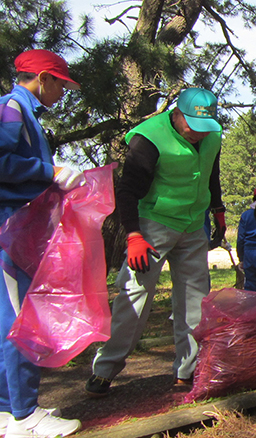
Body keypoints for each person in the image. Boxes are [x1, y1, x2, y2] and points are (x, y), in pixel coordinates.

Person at [85, 87, 226, 397]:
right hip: (153, 225)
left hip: (192, 226)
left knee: (194, 300)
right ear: (176, 114)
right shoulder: (148, 139)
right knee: (134, 294)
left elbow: (211, 172)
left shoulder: (210, 135)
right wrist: (134, 236)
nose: (198, 135)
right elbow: (126, 192)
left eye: (205, 129)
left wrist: (218, 209)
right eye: (192, 127)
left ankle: (186, 371)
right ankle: (105, 369)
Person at [0, 49, 83, 437]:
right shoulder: (14, 108)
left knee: (9, 318)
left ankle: (8, 409)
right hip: (11, 231)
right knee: (20, 322)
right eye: (62, 85)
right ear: (44, 78)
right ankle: (26, 416)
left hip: (17, 229)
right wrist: (49, 170)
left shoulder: (24, 112)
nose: (63, 93)